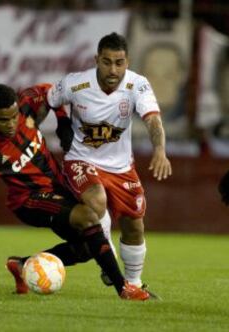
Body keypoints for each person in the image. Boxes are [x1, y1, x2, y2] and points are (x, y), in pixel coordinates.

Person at [0, 83, 153, 301]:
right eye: (3, 120)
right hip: (29, 201)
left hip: (58, 189)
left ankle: (22, 265)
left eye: (14, 117)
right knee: (89, 216)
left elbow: (52, 91)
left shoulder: (27, 103)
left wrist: (62, 119)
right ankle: (124, 288)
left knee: (87, 248)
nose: (11, 124)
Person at [47, 32, 172, 288]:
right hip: (81, 160)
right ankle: (109, 258)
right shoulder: (75, 84)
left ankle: (133, 284)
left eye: (119, 62)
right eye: (107, 62)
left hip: (121, 167)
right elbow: (47, 98)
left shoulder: (137, 84)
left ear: (127, 61)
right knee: (97, 200)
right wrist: (58, 121)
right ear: (97, 59)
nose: (113, 69)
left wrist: (159, 149)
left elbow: (152, 119)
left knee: (134, 227)